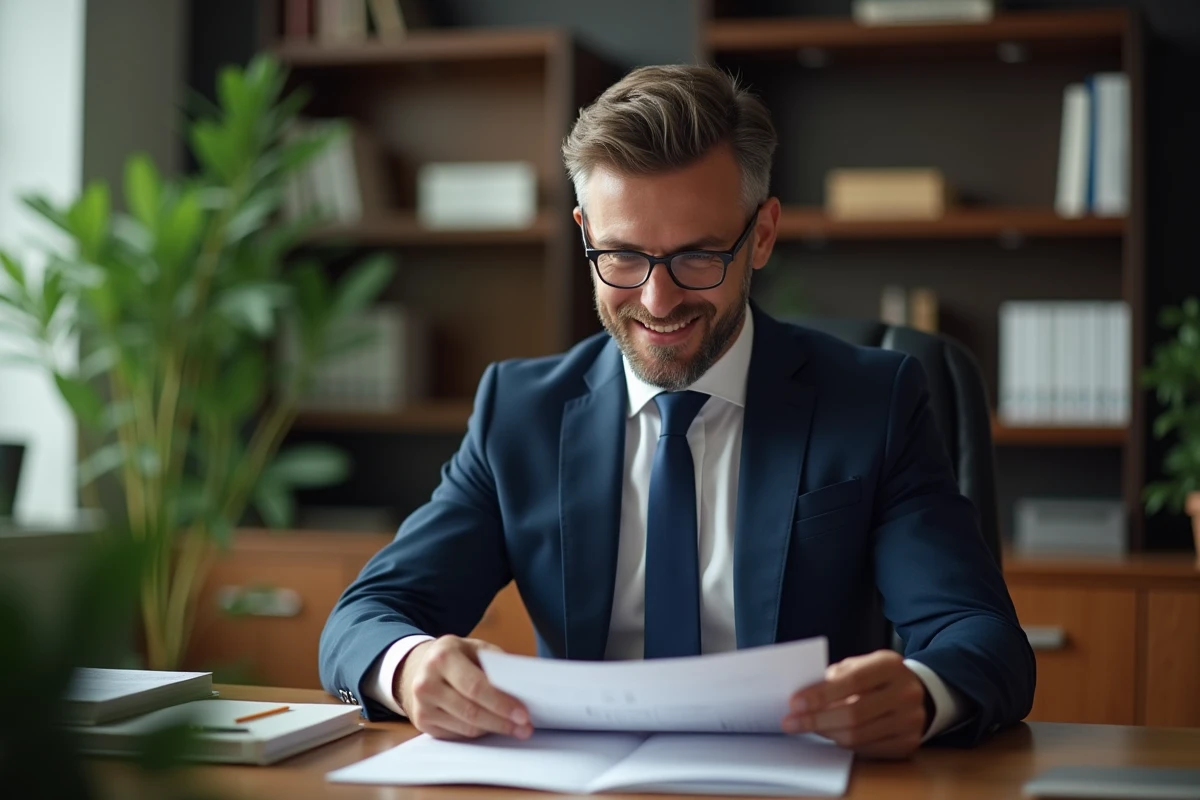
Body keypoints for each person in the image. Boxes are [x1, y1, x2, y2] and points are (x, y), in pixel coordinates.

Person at [319, 64, 1035, 759]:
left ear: (761, 235)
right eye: (623, 256)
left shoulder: (873, 402)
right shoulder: (520, 413)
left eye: (697, 258)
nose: (658, 302)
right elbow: (364, 617)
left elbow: (980, 636)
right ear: (584, 233)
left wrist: (921, 691)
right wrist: (409, 666)